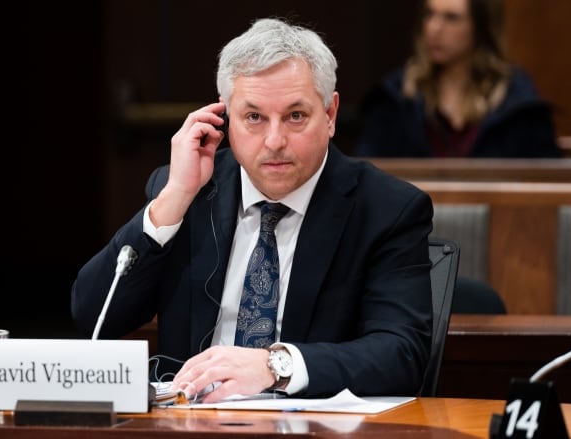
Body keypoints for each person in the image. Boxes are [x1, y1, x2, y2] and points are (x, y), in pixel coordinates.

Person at [71, 17, 434, 403]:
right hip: (188, 422)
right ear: (225, 118)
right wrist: (173, 201)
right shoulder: (187, 190)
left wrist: (276, 367)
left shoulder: (386, 209)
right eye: (254, 117)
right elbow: (93, 316)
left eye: (295, 116)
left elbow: (402, 354)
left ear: (329, 115)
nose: (275, 141)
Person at [354, 0, 560, 158]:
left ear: (480, 27)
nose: (434, 28)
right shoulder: (397, 96)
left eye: (451, 18)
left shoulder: (516, 99)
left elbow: (546, 181)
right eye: (429, 15)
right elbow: (367, 176)